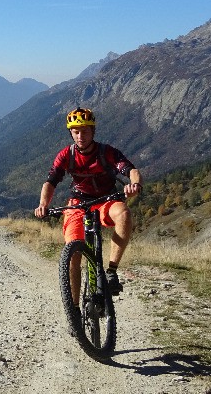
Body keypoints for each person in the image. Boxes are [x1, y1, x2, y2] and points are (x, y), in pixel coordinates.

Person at [34, 107, 141, 303]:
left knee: (124, 213)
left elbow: (130, 170)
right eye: (76, 131)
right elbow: (50, 181)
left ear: (93, 131)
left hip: (106, 200)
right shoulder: (66, 154)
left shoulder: (106, 152)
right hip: (77, 204)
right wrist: (43, 204)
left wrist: (135, 184)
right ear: (71, 133)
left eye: (85, 131)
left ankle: (111, 271)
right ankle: (74, 308)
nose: (80, 135)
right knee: (73, 252)